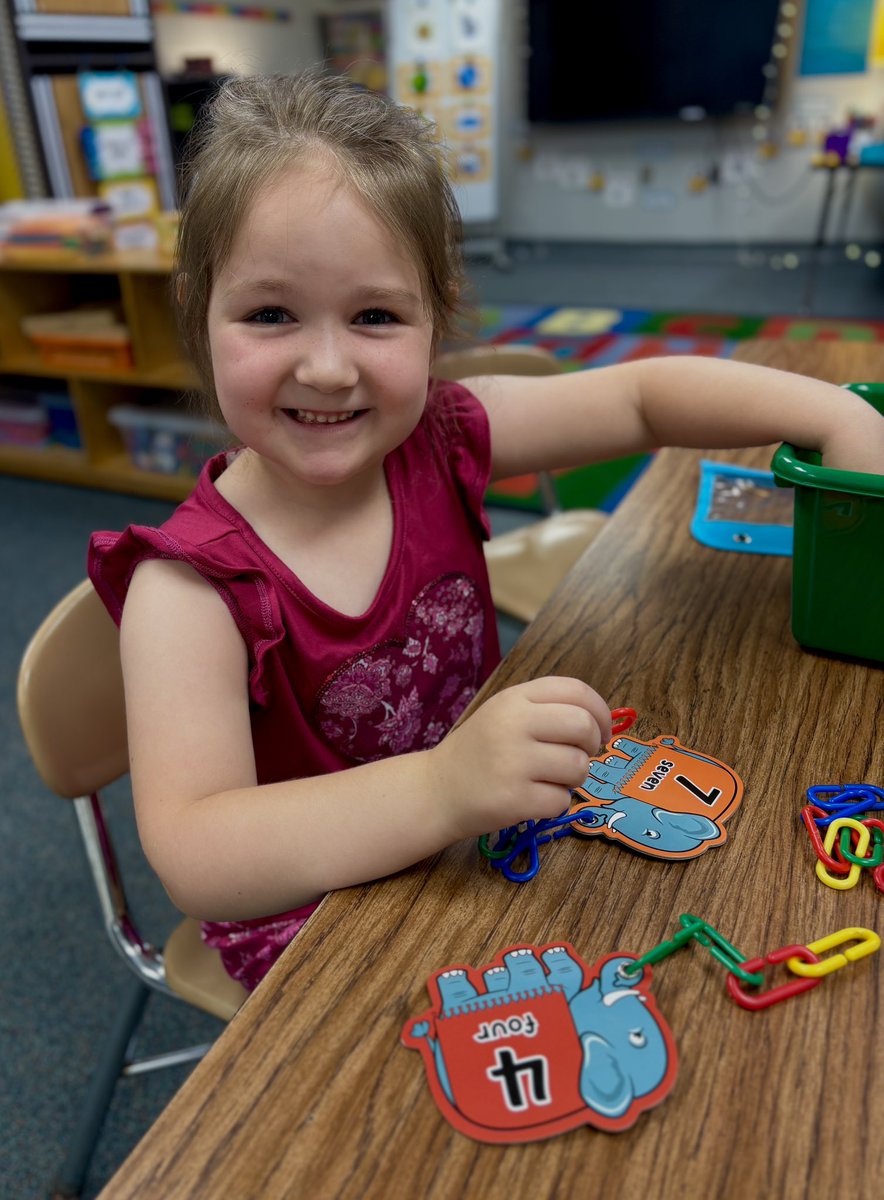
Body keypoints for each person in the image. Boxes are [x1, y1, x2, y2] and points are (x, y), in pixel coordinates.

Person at [88, 70, 884, 991]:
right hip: (320, 920)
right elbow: (198, 853)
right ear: (198, 310)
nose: (329, 366)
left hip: (487, 829)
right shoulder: (186, 590)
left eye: (376, 316)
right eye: (271, 314)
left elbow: (640, 394)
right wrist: (437, 789)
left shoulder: (441, 436)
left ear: (436, 317)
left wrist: (833, 413)